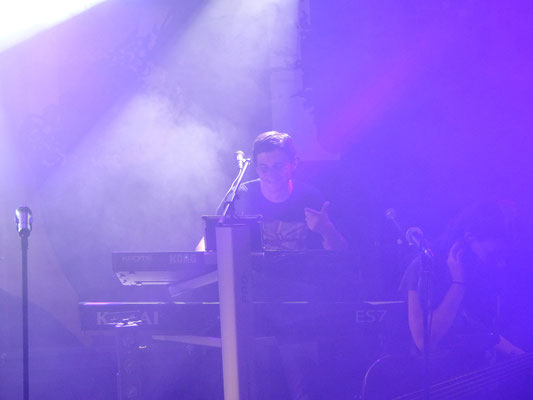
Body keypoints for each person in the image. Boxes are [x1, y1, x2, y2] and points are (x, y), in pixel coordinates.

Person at [401, 201, 533, 398]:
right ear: (470, 238)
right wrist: (458, 284)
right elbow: (425, 341)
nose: (501, 262)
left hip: (478, 385)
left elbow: (479, 329)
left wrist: (517, 354)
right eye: (494, 254)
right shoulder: (425, 268)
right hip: (439, 386)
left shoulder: (480, 271)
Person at [198, 130, 347, 251]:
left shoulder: (310, 197)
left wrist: (326, 230)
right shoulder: (241, 196)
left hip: (301, 277)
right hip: (253, 279)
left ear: (294, 164)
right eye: (264, 168)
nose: (271, 174)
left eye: (278, 166)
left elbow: (342, 253)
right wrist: (196, 262)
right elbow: (208, 241)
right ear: (257, 169)